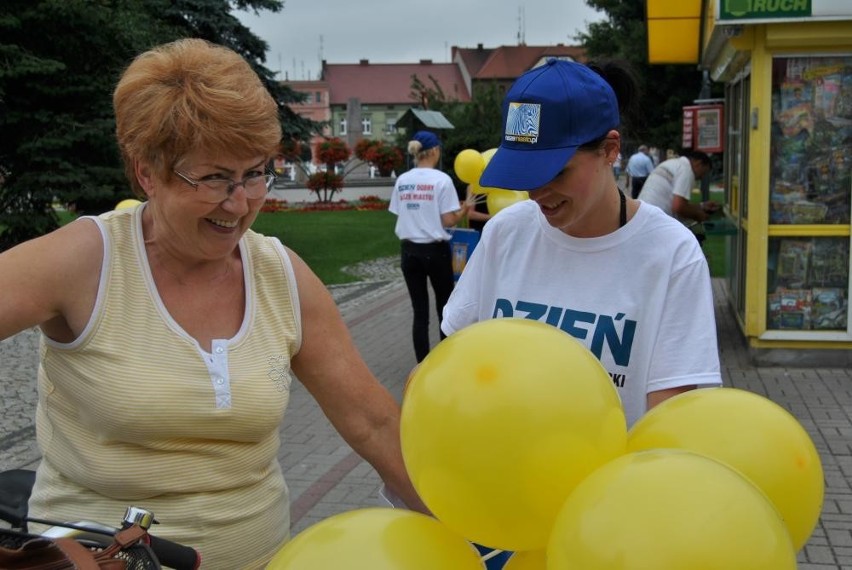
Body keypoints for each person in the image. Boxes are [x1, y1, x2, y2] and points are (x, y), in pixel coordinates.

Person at [0, 38, 427, 569]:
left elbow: (374, 425)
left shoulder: (280, 274)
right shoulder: (86, 261)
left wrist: (471, 528)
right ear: (146, 172)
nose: (242, 202)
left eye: (254, 172)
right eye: (214, 179)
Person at [442, 58, 722, 429]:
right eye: (525, 172)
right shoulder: (505, 232)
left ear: (609, 149)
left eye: (555, 171)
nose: (538, 192)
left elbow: (671, 423)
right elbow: (452, 364)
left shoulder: (671, 253)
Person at [389, 131, 468, 363]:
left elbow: (399, 211)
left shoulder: (403, 180)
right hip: (435, 251)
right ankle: (445, 362)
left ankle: (422, 364)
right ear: (434, 151)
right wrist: (465, 209)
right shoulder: (441, 180)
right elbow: (448, 220)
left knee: (420, 312)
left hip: (409, 252)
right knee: (445, 308)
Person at [637, 150, 720, 242]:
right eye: (703, 173)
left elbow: (677, 202)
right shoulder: (687, 170)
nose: (701, 177)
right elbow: (679, 207)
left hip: (642, 217)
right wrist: (699, 215)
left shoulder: (672, 164)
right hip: (655, 223)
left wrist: (701, 206)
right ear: (698, 164)